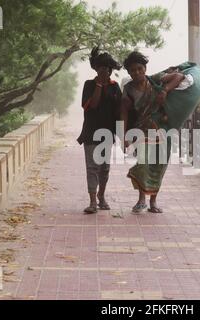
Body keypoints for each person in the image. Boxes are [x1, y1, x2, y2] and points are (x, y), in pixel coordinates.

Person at [120, 51, 200, 214]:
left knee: (158, 166)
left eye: (139, 69)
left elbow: (179, 76)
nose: (137, 73)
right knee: (143, 164)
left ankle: (153, 201)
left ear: (144, 68)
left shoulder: (155, 79)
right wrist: (123, 136)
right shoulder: (128, 90)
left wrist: (165, 90)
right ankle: (141, 200)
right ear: (129, 73)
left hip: (162, 131)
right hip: (141, 131)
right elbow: (123, 113)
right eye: (132, 70)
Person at [77, 48, 122, 214]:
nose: (106, 71)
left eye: (109, 69)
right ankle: (92, 201)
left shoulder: (115, 87)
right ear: (96, 69)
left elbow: (120, 112)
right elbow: (93, 105)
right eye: (103, 68)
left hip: (107, 135)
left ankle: (102, 196)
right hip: (90, 133)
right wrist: (99, 84)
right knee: (92, 167)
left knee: (104, 168)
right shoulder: (89, 85)